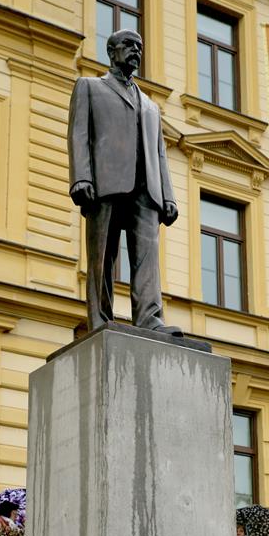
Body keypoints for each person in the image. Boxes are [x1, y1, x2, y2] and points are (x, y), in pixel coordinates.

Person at [68, 28, 181, 335]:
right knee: (102, 255)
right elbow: (79, 134)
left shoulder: (150, 105)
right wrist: (81, 177)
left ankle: (149, 318)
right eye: (129, 45)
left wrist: (167, 196)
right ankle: (100, 319)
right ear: (112, 52)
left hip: (146, 190)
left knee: (147, 256)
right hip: (105, 182)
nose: (136, 51)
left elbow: (159, 153)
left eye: (140, 47)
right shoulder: (89, 87)